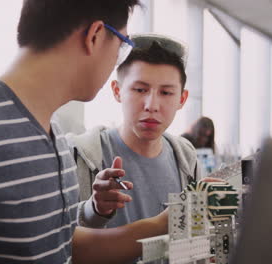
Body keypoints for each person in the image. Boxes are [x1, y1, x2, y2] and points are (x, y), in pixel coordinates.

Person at [0, 1, 171, 263]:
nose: (116, 59)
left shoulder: (51, 132)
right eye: (121, 44)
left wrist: (163, 223)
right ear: (95, 36)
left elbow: (63, 245)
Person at [66, 34, 201, 229]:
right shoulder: (78, 155)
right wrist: (94, 209)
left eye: (166, 93)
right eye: (140, 89)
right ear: (117, 90)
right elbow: (56, 237)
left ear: (182, 98)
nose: (152, 105)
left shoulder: (187, 159)